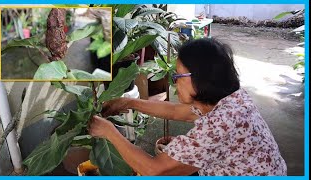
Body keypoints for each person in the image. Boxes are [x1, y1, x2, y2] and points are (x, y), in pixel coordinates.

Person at [87, 38, 287, 176]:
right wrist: (128, 102)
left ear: (200, 78)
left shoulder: (219, 125)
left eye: (177, 76)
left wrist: (110, 132)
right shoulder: (229, 99)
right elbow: (175, 111)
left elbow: (155, 170)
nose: (174, 82)